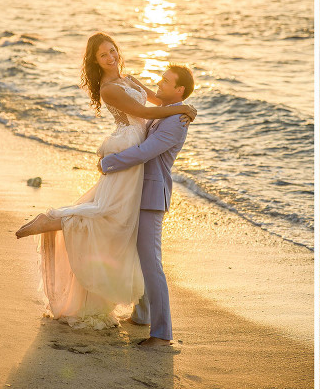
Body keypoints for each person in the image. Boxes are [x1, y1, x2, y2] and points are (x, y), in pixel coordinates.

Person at [15, 32, 196, 330]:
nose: (111, 57)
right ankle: (53, 218)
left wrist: (181, 105)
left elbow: (155, 99)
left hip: (136, 151)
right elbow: (143, 111)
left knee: (118, 222)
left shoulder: (130, 79)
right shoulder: (109, 88)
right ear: (95, 61)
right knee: (109, 214)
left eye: (112, 50)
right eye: (103, 55)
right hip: (128, 147)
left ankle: (143, 314)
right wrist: (182, 107)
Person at [97, 64, 195, 348]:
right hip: (137, 192)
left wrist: (107, 163)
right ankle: (142, 315)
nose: (160, 84)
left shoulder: (176, 121)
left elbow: (145, 152)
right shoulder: (166, 113)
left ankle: (162, 334)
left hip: (152, 196)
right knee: (140, 258)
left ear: (179, 90)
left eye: (166, 82)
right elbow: (148, 99)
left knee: (152, 264)